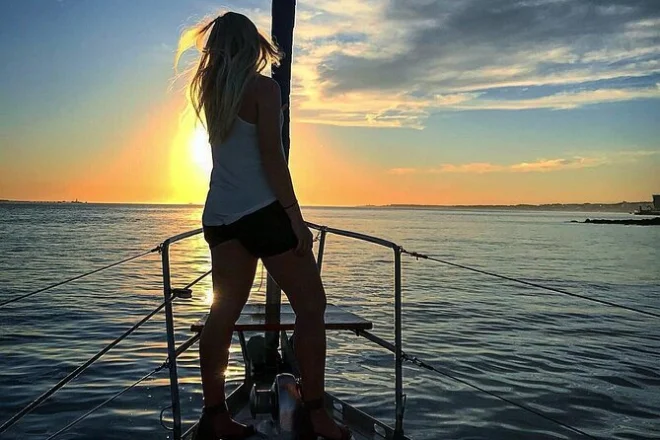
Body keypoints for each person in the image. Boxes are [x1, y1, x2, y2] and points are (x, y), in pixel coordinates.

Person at [176, 11, 351, 440]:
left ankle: (215, 416)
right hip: (263, 212)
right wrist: (295, 218)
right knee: (311, 306)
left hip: (220, 217)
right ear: (251, 45)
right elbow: (273, 158)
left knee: (221, 316)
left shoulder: (210, 91)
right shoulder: (264, 89)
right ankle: (316, 413)